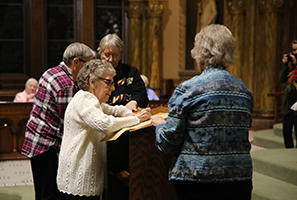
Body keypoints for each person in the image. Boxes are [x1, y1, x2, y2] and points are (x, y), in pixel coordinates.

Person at [151, 24, 253, 200]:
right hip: (239, 178)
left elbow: (169, 142)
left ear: (200, 53)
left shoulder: (188, 89)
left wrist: (160, 126)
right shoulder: (244, 90)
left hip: (197, 179)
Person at [57, 59, 151, 199]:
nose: (113, 88)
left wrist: (130, 112)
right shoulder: (84, 100)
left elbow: (113, 110)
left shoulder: (94, 101)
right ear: (92, 82)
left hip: (83, 178)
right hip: (77, 178)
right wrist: (137, 119)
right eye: (108, 82)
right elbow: (105, 124)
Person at [21, 42, 96, 200]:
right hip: (47, 144)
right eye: (88, 65)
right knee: (51, 194)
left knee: (42, 191)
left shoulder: (52, 72)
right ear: (76, 62)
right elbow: (68, 123)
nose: (90, 71)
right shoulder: (66, 85)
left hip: (36, 139)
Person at [97, 34, 148, 111]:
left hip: (127, 115)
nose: (110, 59)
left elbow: (142, 95)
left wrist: (134, 101)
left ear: (120, 55)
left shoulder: (131, 72)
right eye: (107, 55)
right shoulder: (93, 73)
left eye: (115, 55)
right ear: (100, 54)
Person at [280, 40, 297, 148]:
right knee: (286, 132)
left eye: (296, 50)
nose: (294, 53)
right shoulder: (291, 66)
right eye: (293, 50)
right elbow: (282, 79)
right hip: (288, 104)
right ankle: (288, 151)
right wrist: (286, 65)